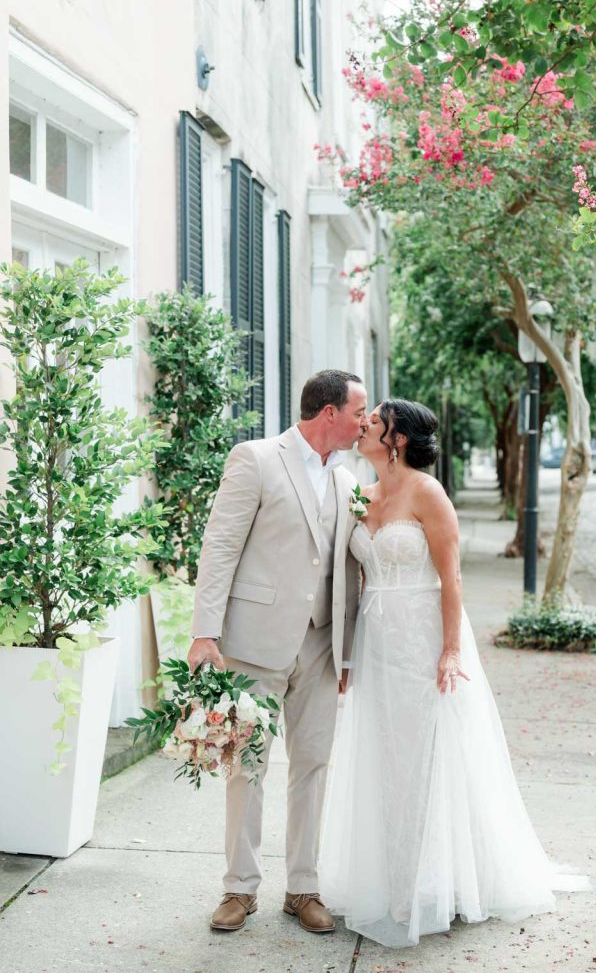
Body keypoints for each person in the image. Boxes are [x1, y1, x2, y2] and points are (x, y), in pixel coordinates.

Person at [318, 398, 557, 947]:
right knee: (386, 757)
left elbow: (451, 581)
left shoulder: (428, 493)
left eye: (373, 422)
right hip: (376, 642)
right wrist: (347, 654)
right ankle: (390, 876)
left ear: (397, 437)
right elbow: (353, 583)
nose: (363, 426)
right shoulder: (363, 492)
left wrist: (450, 651)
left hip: (423, 638)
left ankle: (433, 883)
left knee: (428, 759)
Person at [188, 370, 367, 934]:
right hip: (254, 642)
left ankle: (303, 887)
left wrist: (347, 652)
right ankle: (239, 890)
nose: (366, 422)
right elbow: (220, 545)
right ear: (329, 413)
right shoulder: (257, 458)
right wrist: (204, 631)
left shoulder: (347, 480)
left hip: (320, 645)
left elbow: (348, 570)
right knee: (248, 766)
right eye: (359, 412)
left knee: (312, 766)